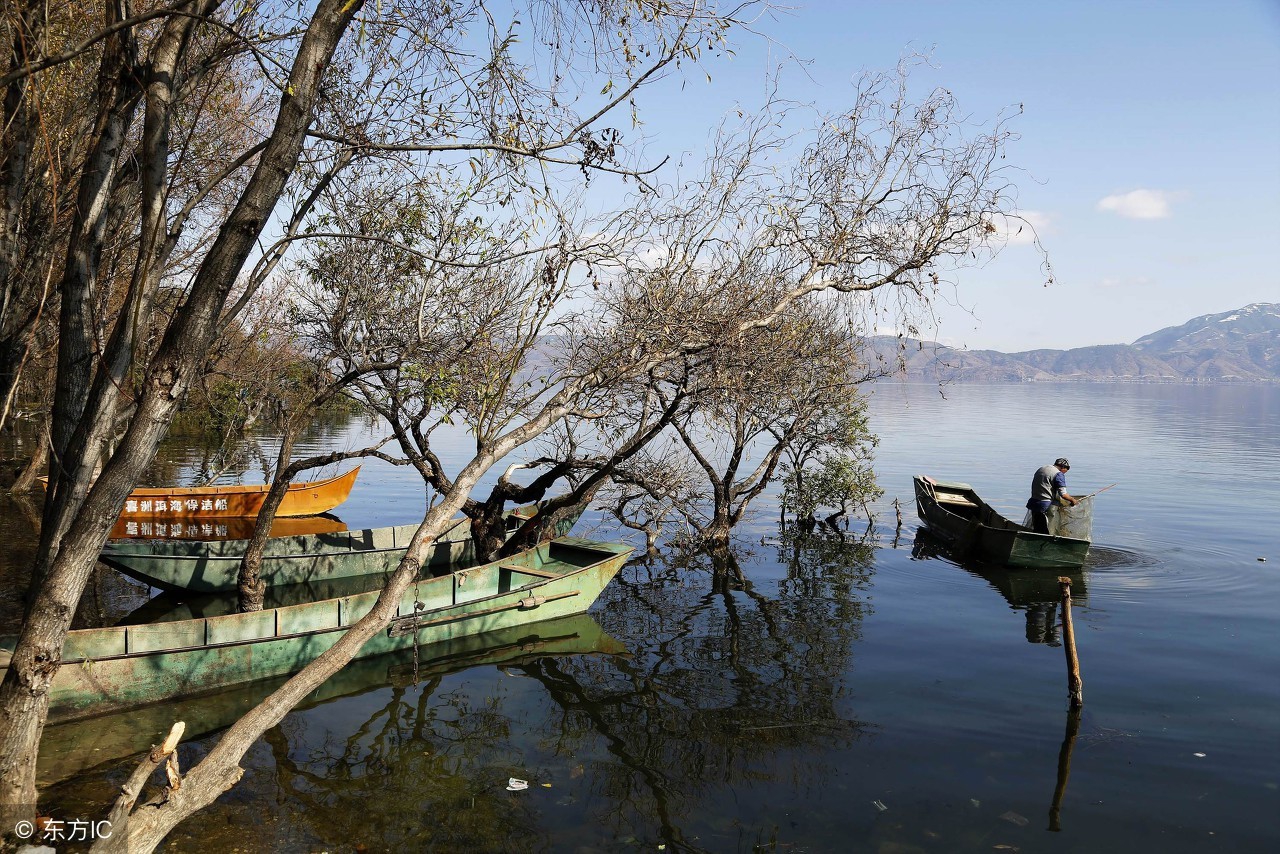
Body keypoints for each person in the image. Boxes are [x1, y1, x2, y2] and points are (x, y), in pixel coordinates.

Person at [1026, 457, 1078, 535]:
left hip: (1034, 504)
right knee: (1047, 531)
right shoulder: (1058, 474)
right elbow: (1063, 494)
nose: (1064, 473)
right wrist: (1072, 500)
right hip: (1046, 507)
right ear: (1063, 467)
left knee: (1037, 529)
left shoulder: (1042, 469)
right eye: (1066, 470)